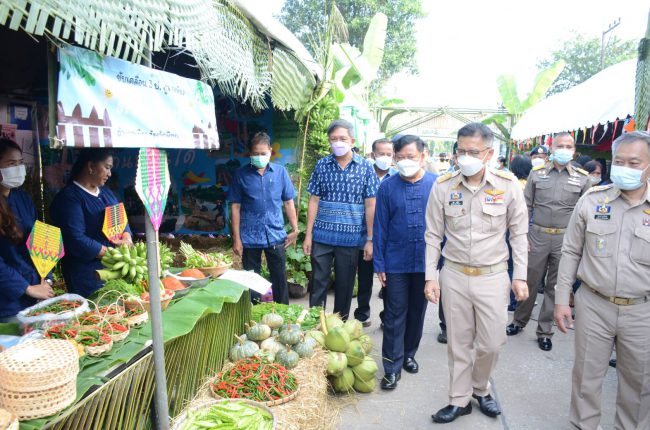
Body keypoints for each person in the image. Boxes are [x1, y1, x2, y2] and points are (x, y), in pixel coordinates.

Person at [425, 123, 529, 423]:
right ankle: (459, 399)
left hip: (493, 275)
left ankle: (480, 388)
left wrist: (519, 276)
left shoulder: (508, 185)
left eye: (473, 151)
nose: (465, 157)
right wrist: (431, 276)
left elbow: (519, 234)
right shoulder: (443, 186)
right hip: (454, 274)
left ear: (489, 153)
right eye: (461, 151)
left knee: (493, 342)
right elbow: (432, 234)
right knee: (458, 342)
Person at [554, 131, 650, 430]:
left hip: (642, 311)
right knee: (586, 379)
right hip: (594, 304)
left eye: (634, 162)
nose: (625, 167)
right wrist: (560, 300)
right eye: (619, 161)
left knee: (639, 386)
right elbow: (570, 251)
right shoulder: (593, 200)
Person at [506, 132, 591, 351]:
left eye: (569, 146)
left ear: (574, 151)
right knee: (530, 280)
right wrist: (522, 235)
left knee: (556, 286)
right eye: (560, 145)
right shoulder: (537, 173)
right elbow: (525, 208)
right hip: (537, 235)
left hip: (566, 239)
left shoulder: (583, 178)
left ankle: (545, 331)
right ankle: (518, 320)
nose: (564, 149)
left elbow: (586, 215)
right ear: (552, 149)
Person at [374, 135, 437, 390]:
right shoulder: (387, 187)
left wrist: (439, 265)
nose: (405, 162)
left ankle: (409, 353)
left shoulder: (436, 185)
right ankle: (391, 367)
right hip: (396, 261)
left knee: (416, 312)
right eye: (399, 158)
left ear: (423, 156)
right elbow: (380, 227)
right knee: (393, 314)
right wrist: (380, 264)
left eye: (410, 157)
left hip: (425, 262)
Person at [304, 119, 379, 320]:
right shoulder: (322, 165)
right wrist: (308, 235)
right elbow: (314, 200)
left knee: (345, 285)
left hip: (351, 238)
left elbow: (371, 204)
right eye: (333, 139)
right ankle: (314, 323)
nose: (338, 142)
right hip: (322, 236)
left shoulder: (365, 167)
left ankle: (339, 324)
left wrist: (370, 239)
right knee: (318, 282)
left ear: (352, 140)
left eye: (342, 138)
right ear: (329, 141)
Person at [50, 149, 132, 298]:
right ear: (91, 167)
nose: (110, 174)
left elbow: (121, 219)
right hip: (87, 275)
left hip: (115, 268)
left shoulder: (106, 193)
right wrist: (113, 253)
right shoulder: (69, 198)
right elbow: (75, 239)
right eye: (107, 167)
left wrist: (126, 237)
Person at [229, 132, 298, 304]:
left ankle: (284, 312)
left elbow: (289, 202)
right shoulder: (240, 175)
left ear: (270, 152)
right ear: (250, 154)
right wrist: (237, 239)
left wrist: (295, 229)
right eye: (255, 154)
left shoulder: (280, 172)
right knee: (252, 279)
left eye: (263, 153)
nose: (259, 157)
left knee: (280, 277)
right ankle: (254, 314)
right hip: (250, 236)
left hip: (275, 234)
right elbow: (235, 207)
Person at [0, 139, 54, 322]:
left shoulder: (23, 198)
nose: (18, 168)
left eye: (20, 162)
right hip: (8, 302)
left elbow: (41, 240)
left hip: (36, 290)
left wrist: (46, 279)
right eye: (11, 164)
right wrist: (27, 288)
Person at [360, 138, 394, 325]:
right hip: (366, 234)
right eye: (381, 153)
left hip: (389, 237)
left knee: (388, 279)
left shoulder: (397, 176)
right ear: (373, 155)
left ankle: (386, 317)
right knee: (365, 277)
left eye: (389, 154)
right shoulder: (364, 173)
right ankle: (363, 313)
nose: (385, 157)